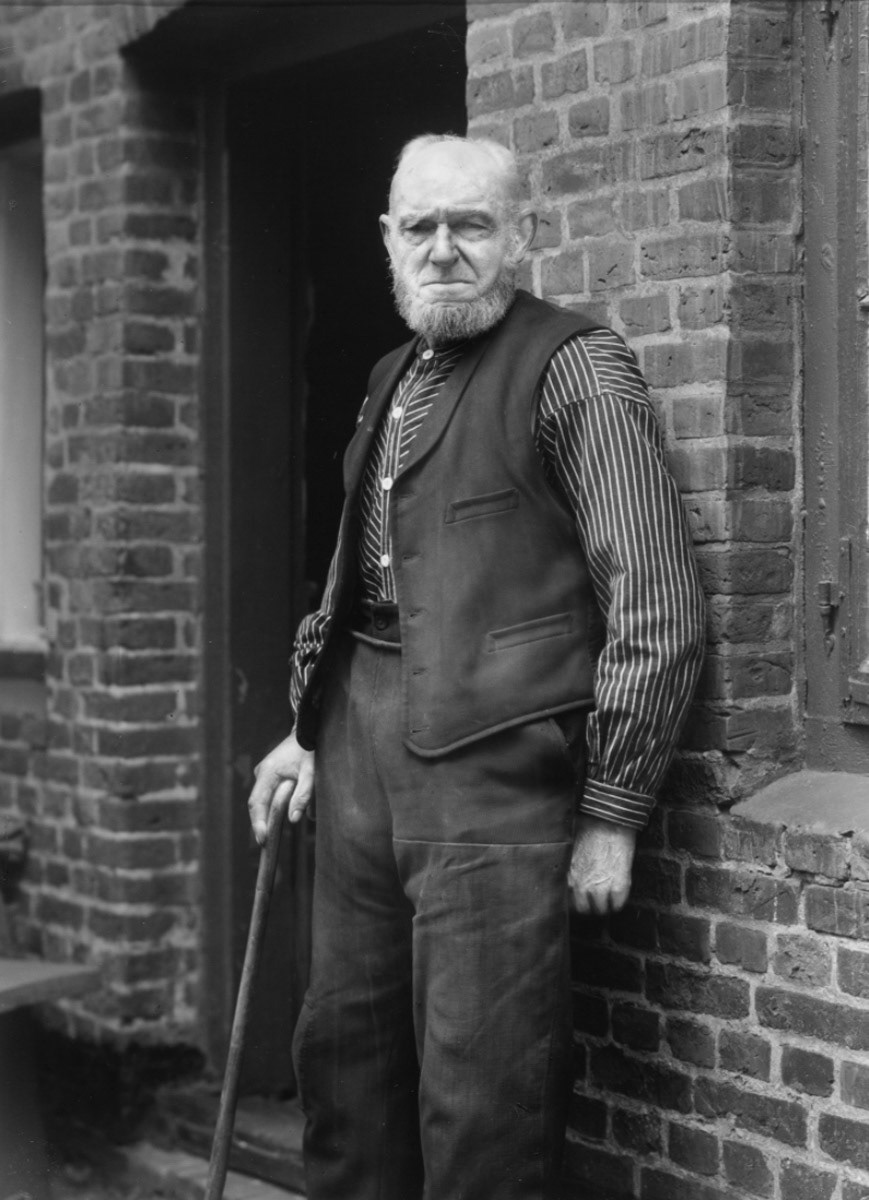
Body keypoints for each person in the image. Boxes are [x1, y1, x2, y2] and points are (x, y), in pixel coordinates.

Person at [247, 134, 705, 1200]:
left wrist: (612, 810)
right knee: (344, 1069)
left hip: (498, 780)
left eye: (471, 226)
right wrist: (306, 730)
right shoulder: (385, 376)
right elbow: (355, 577)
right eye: (421, 228)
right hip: (360, 758)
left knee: (481, 1099)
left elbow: (656, 602)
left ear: (520, 236)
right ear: (387, 241)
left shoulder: (575, 366)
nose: (443, 251)